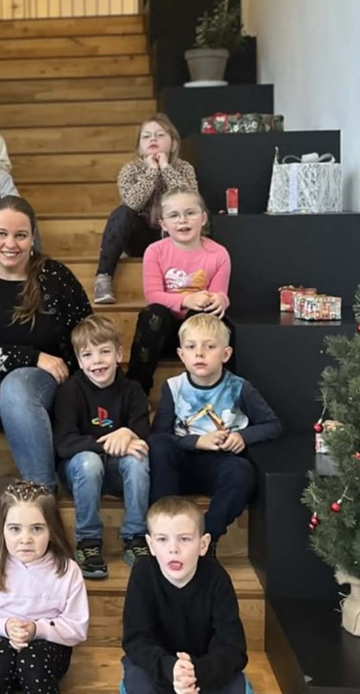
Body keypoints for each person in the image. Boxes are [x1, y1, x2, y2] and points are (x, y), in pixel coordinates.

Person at [0, 196, 91, 539]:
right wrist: (31, 356)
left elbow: (84, 337)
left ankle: (41, 499)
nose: (10, 244)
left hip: (37, 386)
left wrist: (40, 365)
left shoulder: (55, 277)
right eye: (1, 234)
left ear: (33, 236)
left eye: (20, 235)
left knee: (16, 385)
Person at [149, 313, 281, 557]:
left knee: (243, 472)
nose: (199, 354)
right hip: (179, 466)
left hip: (219, 465)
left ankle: (207, 538)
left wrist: (242, 437)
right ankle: (165, 529)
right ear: (181, 355)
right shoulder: (173, 387)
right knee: (158, 447)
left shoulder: (240, 387)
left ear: (225, 354)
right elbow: (159, 435)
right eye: (191, 347)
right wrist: (197, 441)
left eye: (209, 347)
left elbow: (272, 425)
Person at [0, 481, 89, 694]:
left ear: (52, 531)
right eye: (15, 529)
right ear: (2, 530)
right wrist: (5, 626)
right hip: (2, 642)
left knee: (32, 662)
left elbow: (77, 627)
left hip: (49, 649)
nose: (25, 539)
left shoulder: (67, 570)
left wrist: (37, 629)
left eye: (37, 529)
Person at [53, 315, 150, 580]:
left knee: (138, 458)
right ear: (79, 361)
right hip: (79, 472)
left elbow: (144, 436)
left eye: (104, 351)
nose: (97, 360)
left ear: (118, 354)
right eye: (88, 354)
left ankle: (136, 537)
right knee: (89, 461)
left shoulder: (132, 390)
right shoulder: (70, 391)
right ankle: (88, 541)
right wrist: (107, 443)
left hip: (117, 472)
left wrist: (128, 432)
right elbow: (64, 443)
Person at [121, 496, 251, 694]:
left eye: (184, 539)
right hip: (158, 667)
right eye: (162, 539)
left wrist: (196, 673)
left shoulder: (217, 578)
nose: (173, 549)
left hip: (205, 668)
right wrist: (171, 669)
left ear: (203, 544)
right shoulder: (143, 574)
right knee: (138, 680)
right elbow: (136, 641)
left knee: (237, 686)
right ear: (151, 545)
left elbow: (232, 646)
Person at [127, 187, 231, 395]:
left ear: (203, 218)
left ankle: (210, 391)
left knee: (207, 316)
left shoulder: (219, 254)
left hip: (198, 335)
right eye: (174, 215)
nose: (182, 220)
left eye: (190, 213)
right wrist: (186, 299)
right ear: (163, 224)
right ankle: (136, 391)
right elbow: (153, 295)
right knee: (153, 313)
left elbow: (219, 293)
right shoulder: (155, 251)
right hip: (162, 332)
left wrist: (221, 299)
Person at [94, 114, 197, 305]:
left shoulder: (184, 168)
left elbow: (188, 201)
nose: (153, 139)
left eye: (160, 135)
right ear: (140, 147)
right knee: (122, 213)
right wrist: (152, 172)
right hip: (140, 236)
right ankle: (103, 278)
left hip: (171, 236)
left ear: (173, 143)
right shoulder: (130, 169)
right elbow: (132, 203)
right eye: (147, 136)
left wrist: (165, 167)